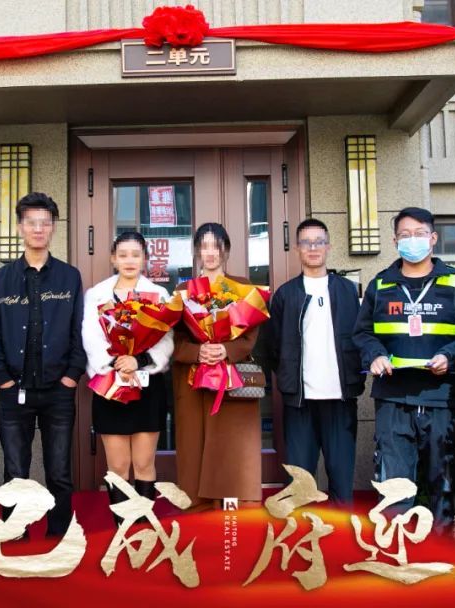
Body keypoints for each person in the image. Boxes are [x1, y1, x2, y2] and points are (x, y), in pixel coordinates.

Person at [352, 206, 455, 528]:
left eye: (420, 233)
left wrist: (450, 356)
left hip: (441, 398)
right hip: (393, 398)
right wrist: (375, 355)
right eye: (405, 235)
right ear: (395, 241)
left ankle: (444, 551)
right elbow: (362, 333)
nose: (412, 240)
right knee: (394, 490)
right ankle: (396, 552)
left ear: (433, 238)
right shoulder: (381, 285)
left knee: (444, 486)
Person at [0, 192, 86, 537]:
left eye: (45, 222)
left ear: (54, 227)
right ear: (20, 227)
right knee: (15, 471)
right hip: (15, 391)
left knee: (59, 471)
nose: (38, 229)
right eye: (31, 222)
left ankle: (60, 534)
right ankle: (16, 533)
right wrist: (2, 379)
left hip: (59, 391)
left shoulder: (69, 277)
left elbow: (80, 331)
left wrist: (72, 376)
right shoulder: (3, 278)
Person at [265, 218, 364, 504]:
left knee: (341, 478)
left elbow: (361, 336)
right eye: (306, 242)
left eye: (319, 241)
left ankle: (341, 528)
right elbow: (272, 347)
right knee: (300, 481)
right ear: (297, 248)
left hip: (340, 397)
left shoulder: (348, 290)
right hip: (300, 400)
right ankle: (301, 531)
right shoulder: (285, 294)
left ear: (328, 246)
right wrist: (288, 377)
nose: (313, 248)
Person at [81, 231, 174, 522]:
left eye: (135, 254)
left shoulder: (158, 295)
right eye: (123, 255)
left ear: (145, 258)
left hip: (147, 386)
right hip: (110, 386)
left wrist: (139, 361)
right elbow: (90, 337)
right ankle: (121, 523)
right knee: (118, 465)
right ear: (113, 258)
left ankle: (144, 521)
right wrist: (117, 363)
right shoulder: (96, 295)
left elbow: (166, 339)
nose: (129, 260)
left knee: (144, 463)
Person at [172, 223, 261, 510]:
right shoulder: (183, 290)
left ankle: (230, 508)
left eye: (216, 246)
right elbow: (174, 339)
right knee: (194, 443)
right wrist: (198, 352)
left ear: (226, 250)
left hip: (229, 379)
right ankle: (195, 507)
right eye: (204, 246)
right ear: (196, 251)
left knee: (230, 445)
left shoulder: (242, 287)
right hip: (194, 379)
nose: (210, 253)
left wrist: (226, 349)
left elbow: (250, 337)